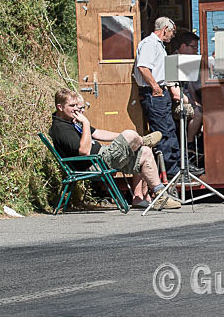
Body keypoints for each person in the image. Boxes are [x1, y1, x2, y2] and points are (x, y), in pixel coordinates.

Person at [49, 89, 181, 210]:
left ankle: (160, 195)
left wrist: (121, 138)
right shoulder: (61, 128)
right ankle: (140, 140)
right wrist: (86, 123)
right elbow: (84, 151)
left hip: (102, 157)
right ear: (60, 107)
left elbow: (97, 133)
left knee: (145, 151)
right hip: (94, 163)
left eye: (77, 106)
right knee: (130, 134)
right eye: (72, 106)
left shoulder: (72, 120)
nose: (76, 109)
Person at [134, 16, 183, 178]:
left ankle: (174, 165)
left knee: (169, 128)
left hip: (160, 92)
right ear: (165, 29)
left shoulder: (158, 45)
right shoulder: (149, 44)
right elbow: (143, 67)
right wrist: (155, 88)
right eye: (172, 32)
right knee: (163, 131)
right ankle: (170, 170)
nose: (172, 36)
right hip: (154, 93)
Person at [173, 31, 204, 143]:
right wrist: (192, 103)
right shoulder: (173, 61)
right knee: (198, 112)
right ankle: (189, 143)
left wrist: (196, 101)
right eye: (194, 47)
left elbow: (190, 85)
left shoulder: (188, 61)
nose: (196, 51)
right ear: (183, 46)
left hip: (187, 98)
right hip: (176, 102)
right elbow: (175, 92)